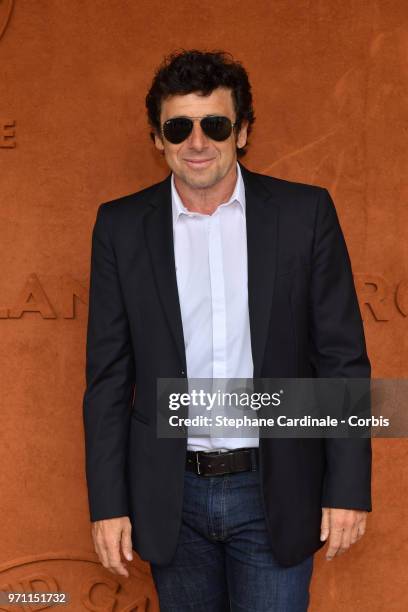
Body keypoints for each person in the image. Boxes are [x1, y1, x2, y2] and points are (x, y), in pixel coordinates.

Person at [82, 49, 372, 611]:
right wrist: (108, 503)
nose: (197, 142)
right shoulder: (119, 227)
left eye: (215, 124)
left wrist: (347, 488)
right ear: (157, 138)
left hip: (275, 489)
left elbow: (341, 360)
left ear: (241, 132)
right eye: (178, 127)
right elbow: (109, 380)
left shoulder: (304, 214)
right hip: (170, 494)